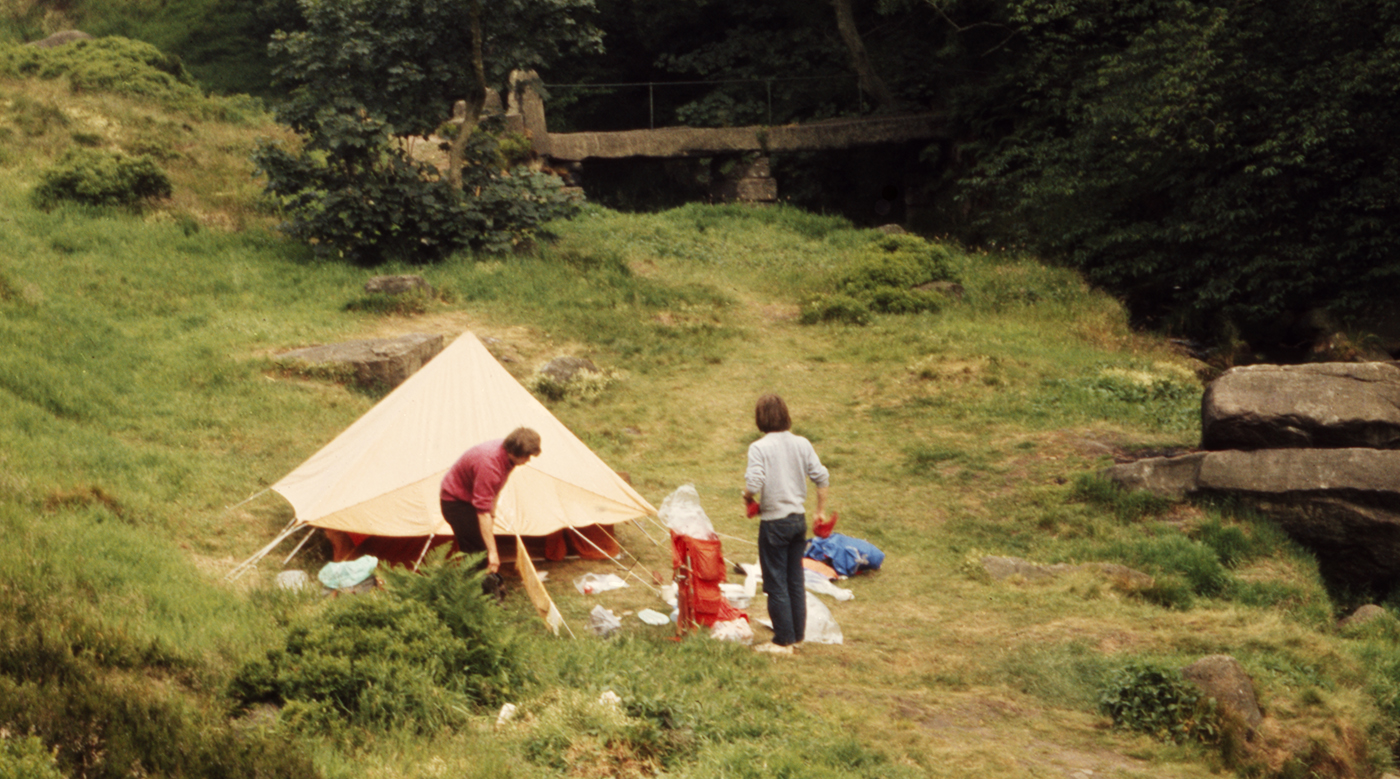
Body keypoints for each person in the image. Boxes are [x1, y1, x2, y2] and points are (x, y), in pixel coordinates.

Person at [742, 394, 829, 655]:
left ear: (760, 418)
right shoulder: (802, 443)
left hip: (774, 523)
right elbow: (822, 477)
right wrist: (820, 511)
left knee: (776, 582)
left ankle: (782, 641)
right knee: (794, 580)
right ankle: (797, 636)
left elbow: (754, 484)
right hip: (797, 521)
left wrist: (746, 496)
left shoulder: (759, 447)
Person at [439, 427, 542, 574]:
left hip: (470, 499)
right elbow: (482, 511)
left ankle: (481, 587)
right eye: (526, 456)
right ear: (515, 452)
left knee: (482, 546)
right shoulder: (489, 465)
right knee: (477, 551)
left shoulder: (508, 455)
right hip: (455, 503)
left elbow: (495, 490)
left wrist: (492, 516)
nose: (528, 460)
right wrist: (493, 553)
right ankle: (476, 592)